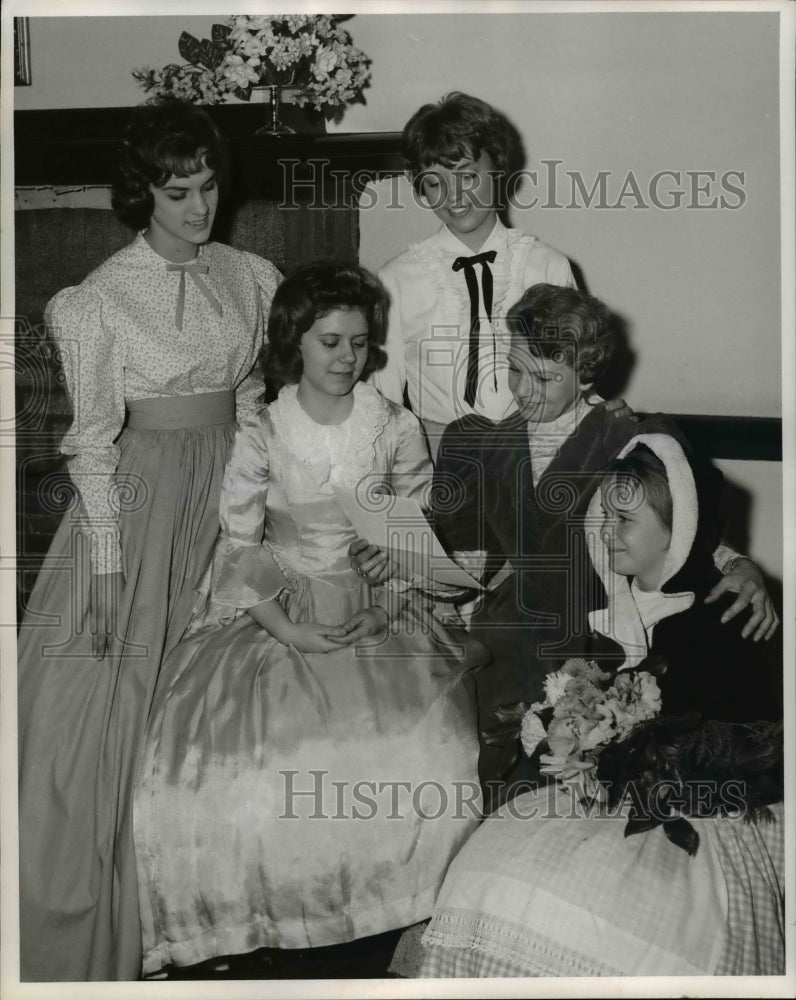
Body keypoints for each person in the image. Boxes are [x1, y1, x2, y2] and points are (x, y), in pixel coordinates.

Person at [132, 262, 487, 977]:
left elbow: (417, 537)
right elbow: (239, 544)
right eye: (329, 342)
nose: (346, 358)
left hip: (379, 613)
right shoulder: (262, 429)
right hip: (280, 609)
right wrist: (288, 629)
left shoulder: (394, 425)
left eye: (359, 343)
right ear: (295, 342)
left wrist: (388, 594)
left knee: (424, 754)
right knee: (237, 771)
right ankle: (260, 931)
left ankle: (377, 933)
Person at [17, 101, 282, 981]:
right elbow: (93, 438)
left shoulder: (251, 275)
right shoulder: (96, 299)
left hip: (229, 497)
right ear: (144, 194)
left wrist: (260, 502)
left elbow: (249, 398)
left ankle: (203, 914)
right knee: (105, 717)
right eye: (178, 193)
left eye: (209, 187)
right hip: (139, 508)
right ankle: (96, 935)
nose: (200, 208)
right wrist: (104, 564)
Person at [416, 433, 784, 977]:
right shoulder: (624, 598)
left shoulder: (720, 617)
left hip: (708, 799)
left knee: (580, 905)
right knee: (494, 866)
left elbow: (726, 740)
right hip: (630, 780)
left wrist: (601, 741)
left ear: (678, 529)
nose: (608, 533)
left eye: (625, 521)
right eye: (605, 517)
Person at [431, 284, 778, 808]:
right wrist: (400, 562)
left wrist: (743, 566)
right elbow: (467, 553)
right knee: (475, 780)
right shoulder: (492, 444)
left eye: (545, 378)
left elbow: (686, 526)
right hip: (507, 637)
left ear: (585, 372)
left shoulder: (628, 436)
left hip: (594, 650)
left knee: (573, 791)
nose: (523, 390)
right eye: (515, 369)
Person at [368, 92, 576, 457]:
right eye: (435, 182)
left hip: (536, 463)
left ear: (496, 169)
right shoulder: (396, 279)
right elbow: (382, 401)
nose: (453, 195)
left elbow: (571, 380)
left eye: (467, 176)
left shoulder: (548, 266)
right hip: (439, 464)